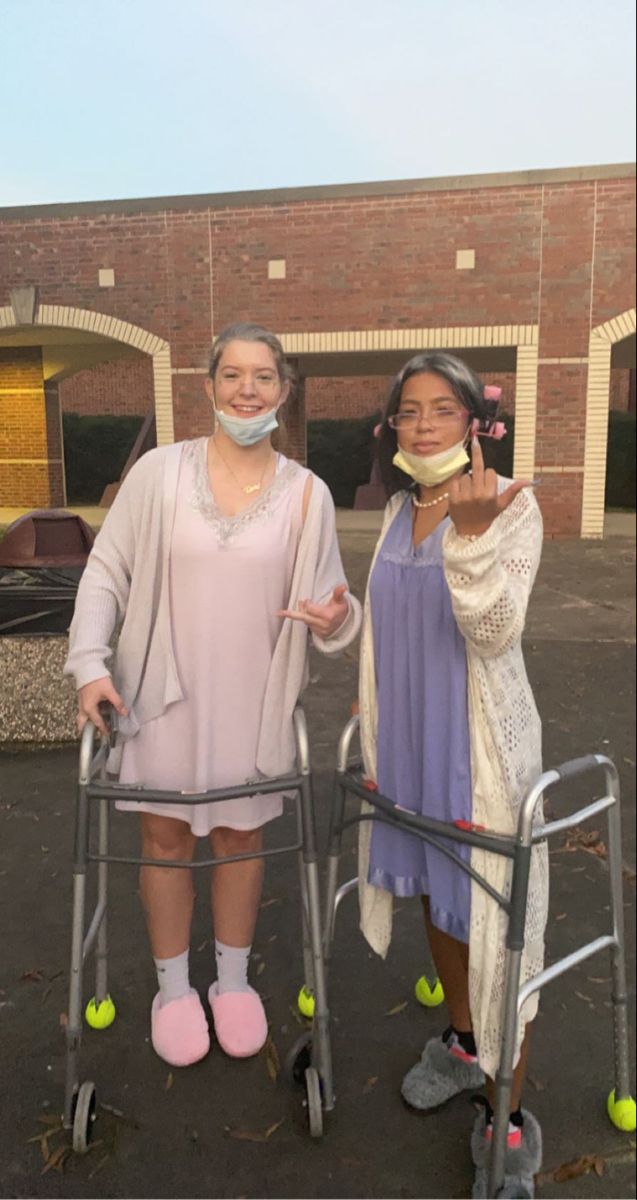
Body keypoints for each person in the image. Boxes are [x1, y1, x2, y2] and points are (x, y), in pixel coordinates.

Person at [65, 322, 361, 1069]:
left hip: (251, 700)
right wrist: (89, 664)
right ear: (208, 386)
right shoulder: (159, 473)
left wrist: (337, 617)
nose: (247, 390)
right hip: (159, 696)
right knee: (163, 837)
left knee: (239, 837)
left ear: (284, 391)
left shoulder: (308, 495)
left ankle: (230, 984)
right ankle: (173, 990)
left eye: (263, 377)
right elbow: (107, 572)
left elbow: (335, 605)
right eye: (232, 375)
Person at [356, 353, 548, 1197]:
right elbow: (382, 633)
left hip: (479, 755)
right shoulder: (396, 510)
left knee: (503, 930)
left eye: (441, 409)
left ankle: (505, 1113)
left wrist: (470, 540)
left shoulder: (510, 504)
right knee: (440, 896)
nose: (424, 424)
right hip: (409, 751)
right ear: (391, 427)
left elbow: (498, 628)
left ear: (476, 422)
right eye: (409, 411)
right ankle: (464, 1042)